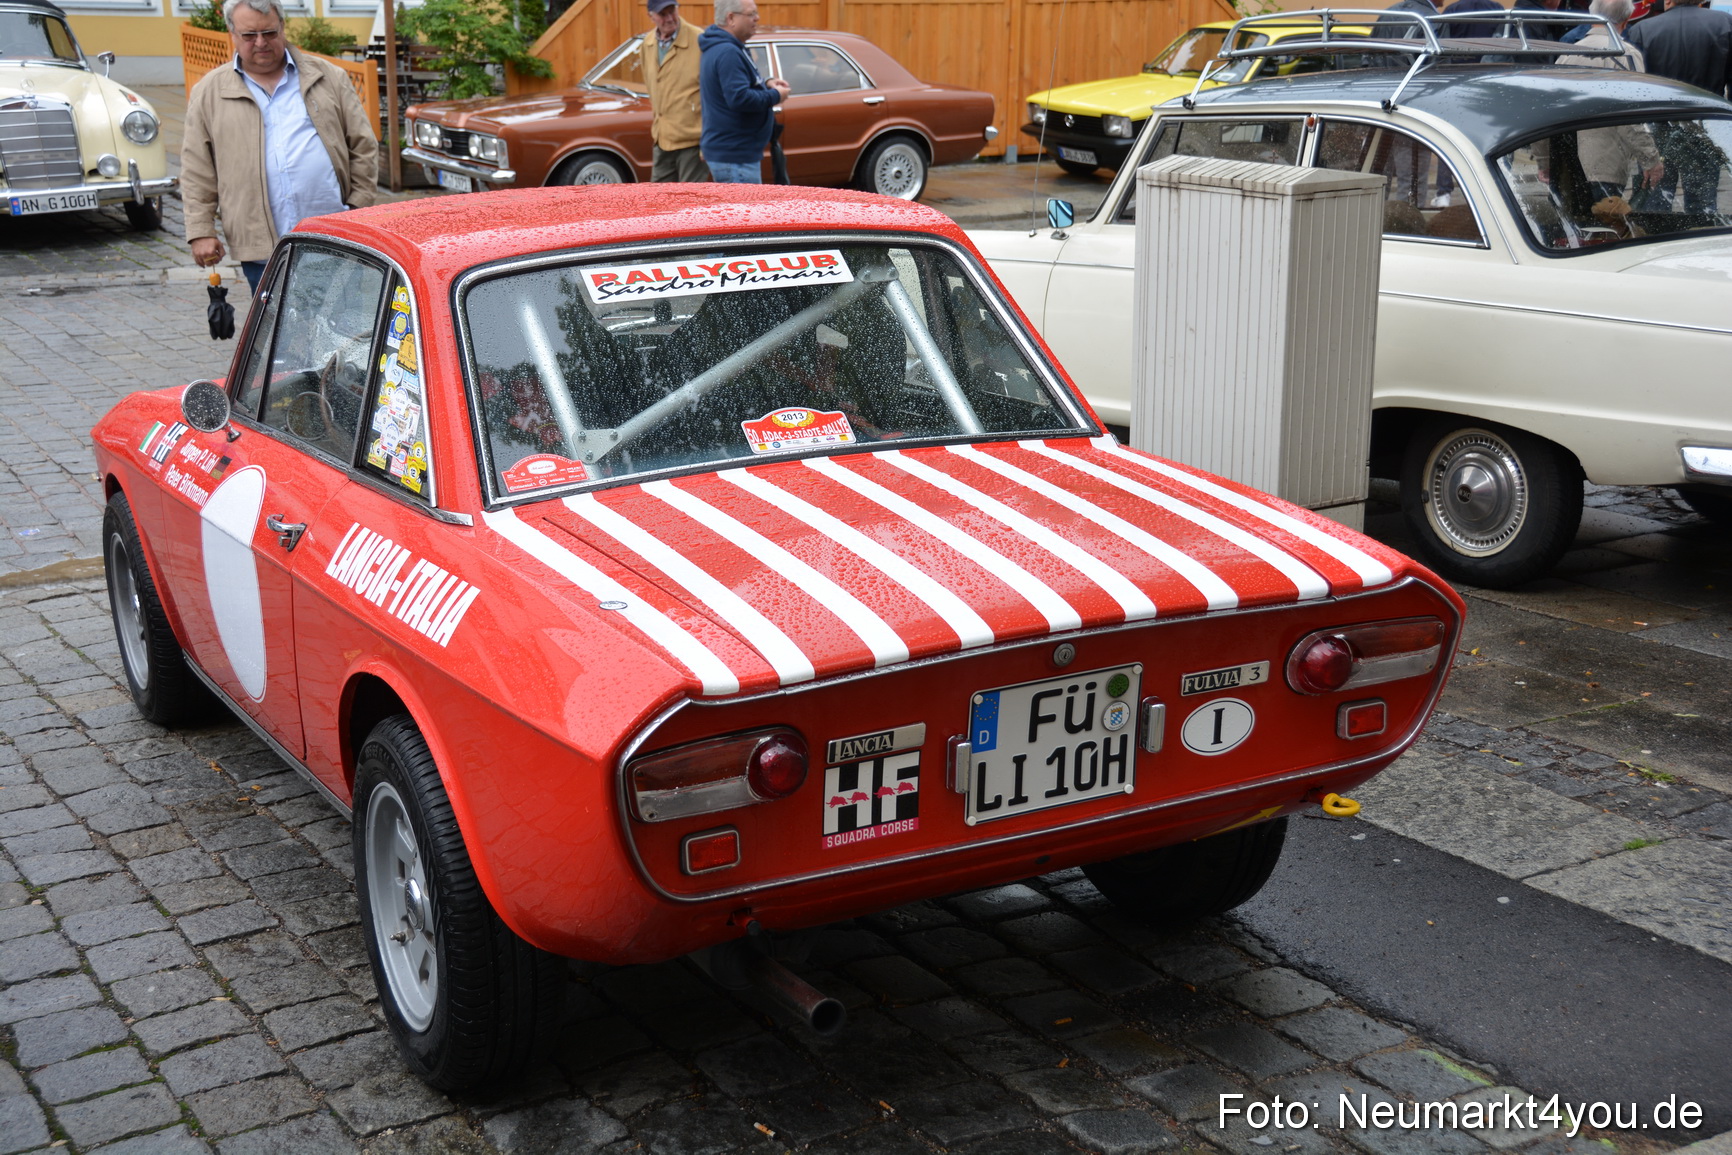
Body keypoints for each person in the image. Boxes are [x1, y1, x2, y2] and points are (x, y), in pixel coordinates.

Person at [182, 0, 378, 292]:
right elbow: (197, 168)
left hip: (335, 241)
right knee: (273, 333)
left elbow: (362, 145)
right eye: (249, 35)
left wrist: (357, 208)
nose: (260, 43)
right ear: (232, 33)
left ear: (283, 27)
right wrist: (200, 231)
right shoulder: (209, 92)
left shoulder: (328, 78)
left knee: (343, 332)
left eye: (269, 33)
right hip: (262, 250)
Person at [1559, 0, 1665, 204]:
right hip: (1605, 165)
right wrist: (1650, 160)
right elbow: (1630, 116)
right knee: (1608, 227)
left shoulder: (1566, 54)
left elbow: (1546, 110)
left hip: (1565, 163)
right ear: (1626, 20)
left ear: (1591, 16)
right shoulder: (1626, 55)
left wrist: (1544, 162)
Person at [698, 0, 789, 183]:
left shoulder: (726, 47)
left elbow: (736, 87)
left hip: (734, 152)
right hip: (735, 157)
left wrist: (767, 83)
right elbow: (740, 98)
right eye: (751, 14)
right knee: (743, 211)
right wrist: (776, 96)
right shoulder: (727, 52)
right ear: (731, 18)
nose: (757, 18)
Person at [640, 0, 709, 181]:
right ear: (651, 16)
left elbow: (711, 94)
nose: (670, 18)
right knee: (660, 202)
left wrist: (707, 142)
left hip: (693, 142)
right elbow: (652, 87)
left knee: (690, 203)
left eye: (673, 11)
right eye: (663, 14)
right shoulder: (647, 44)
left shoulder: (699, 40)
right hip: (662, 140)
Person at [1623, 0, 1732, 96]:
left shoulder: (1641, 29)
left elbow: (1632, 80)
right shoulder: (1726, 23)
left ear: (1668, 1)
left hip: (1660, 111)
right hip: (1711, 110)